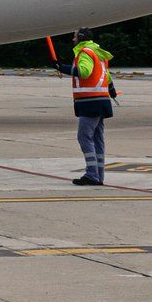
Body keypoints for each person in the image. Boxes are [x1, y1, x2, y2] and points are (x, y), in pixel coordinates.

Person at [55, 30, 116, 186]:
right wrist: (111, 89)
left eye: (75, 36)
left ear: (81, 38)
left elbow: (84, 72)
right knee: (97, 139)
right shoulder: (97, 52)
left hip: (90, 103)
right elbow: (106, 75)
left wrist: (62, 68)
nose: (72, 38)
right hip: (101, 101)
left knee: (84, 137)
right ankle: (98, 175)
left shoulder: (85, 52)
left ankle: (92, 175)